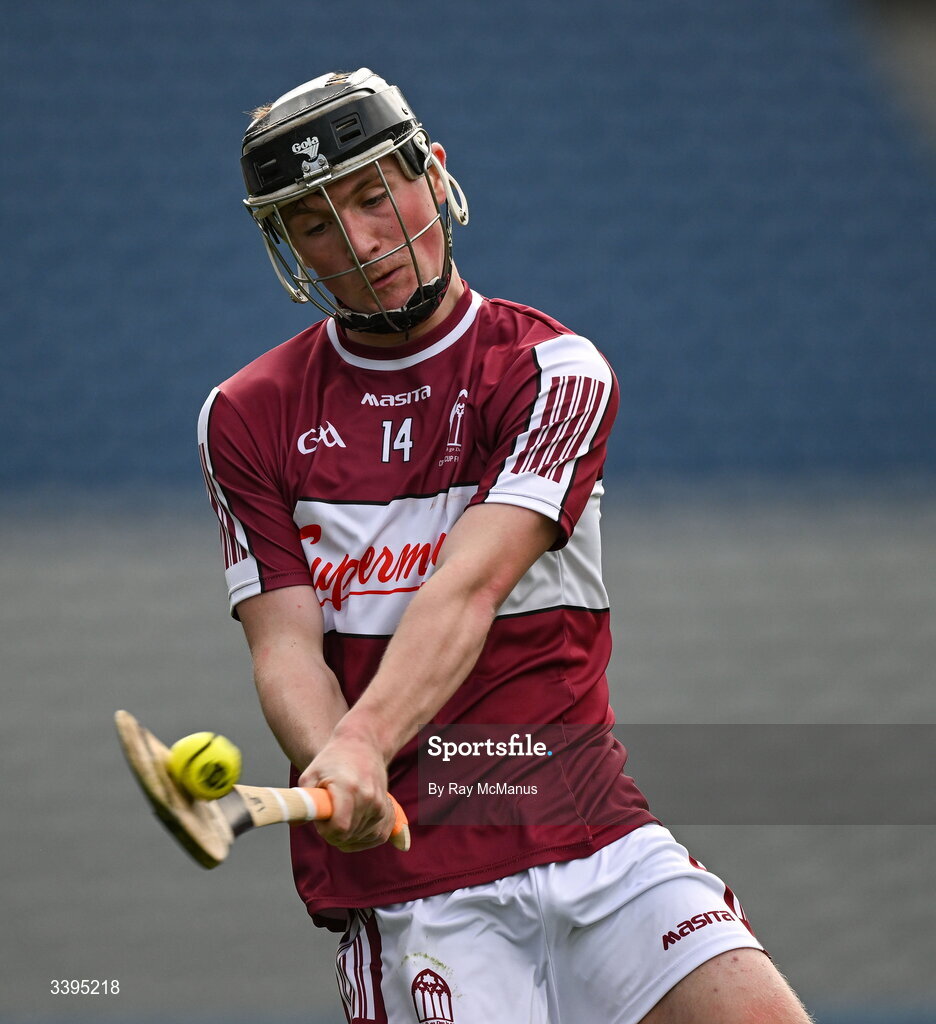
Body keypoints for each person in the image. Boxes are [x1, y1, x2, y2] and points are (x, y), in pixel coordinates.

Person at [198, 68, 812, 1024]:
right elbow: (283, 646)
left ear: (434, 175)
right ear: (288, 245)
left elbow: (468, 589)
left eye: (374, 195)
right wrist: (337, 767)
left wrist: (362, 739)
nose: (361, 243)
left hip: (596, 836)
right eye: (318, 223)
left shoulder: (553, 372)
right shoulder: (245, 416)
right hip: (415, 884)